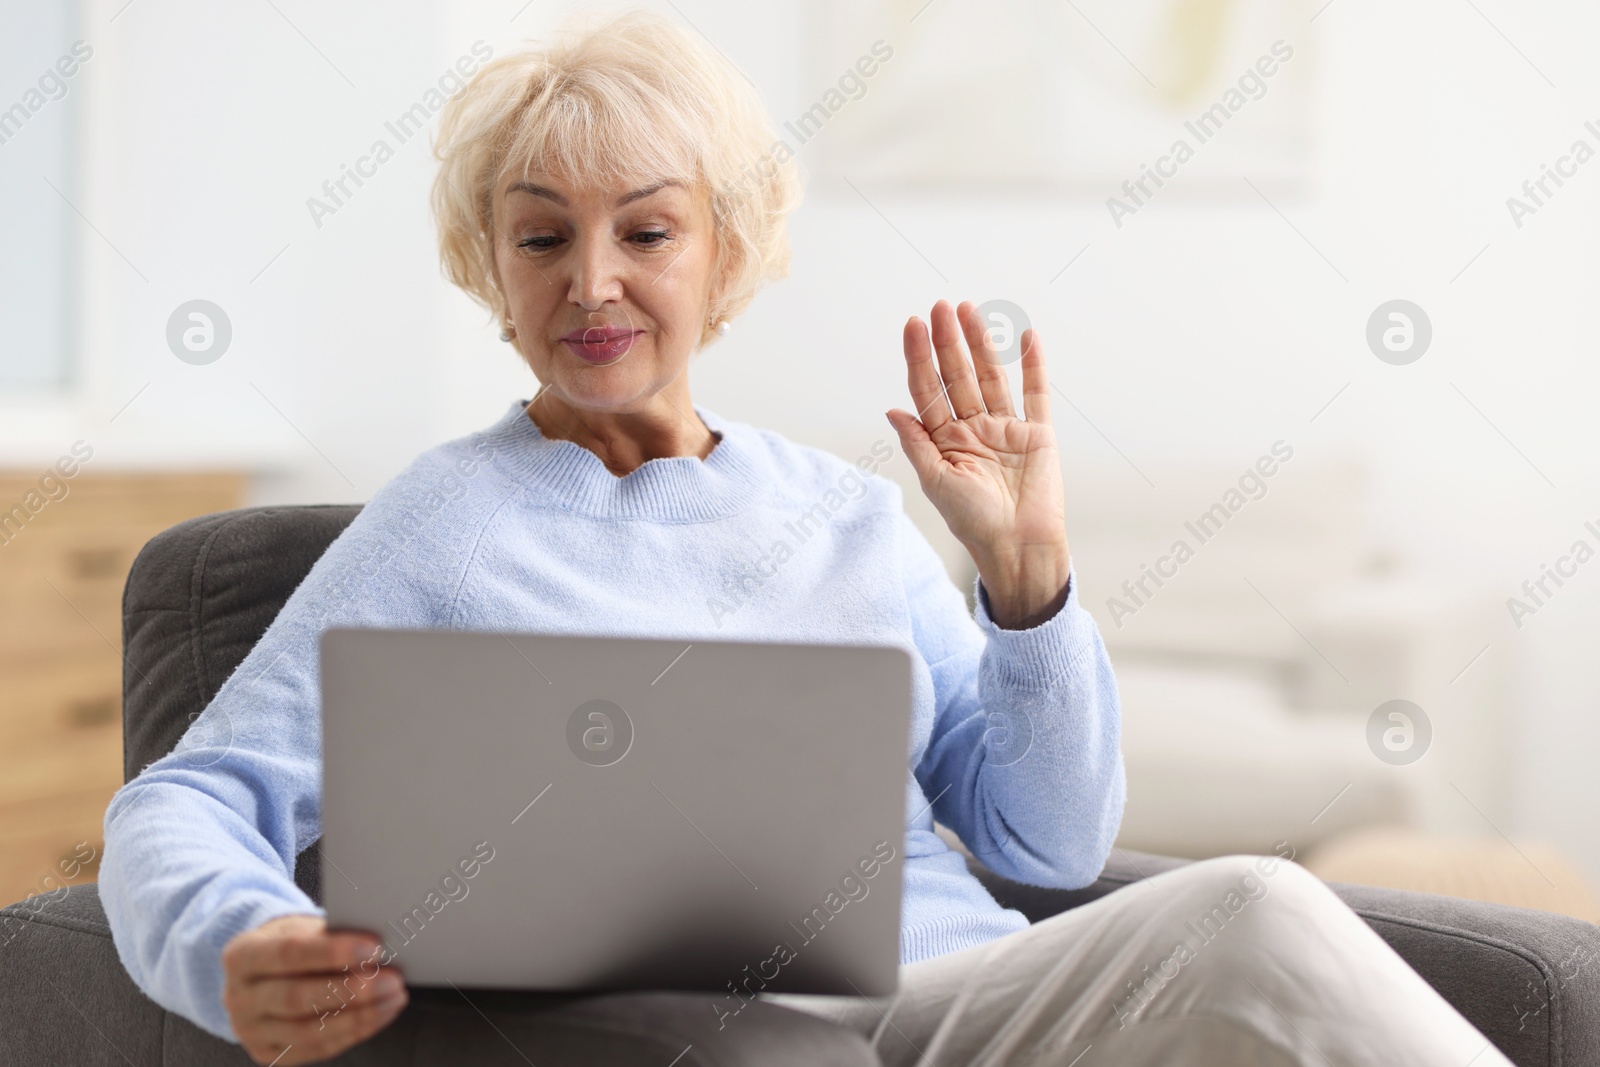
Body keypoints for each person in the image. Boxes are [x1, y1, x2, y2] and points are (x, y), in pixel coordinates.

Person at [100, 10, 1511, 1066]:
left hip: (964, 1009)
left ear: (722, 252)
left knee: (1247, 931)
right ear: (495, 270)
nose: (593, 281)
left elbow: (1048, 833)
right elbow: (185, 798)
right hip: (744, 1037)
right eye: (543, 240)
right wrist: (235, 939)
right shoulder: (445, 521)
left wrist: (1025, 587)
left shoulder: (843, 512)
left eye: (645, 231)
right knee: (1255, 913)